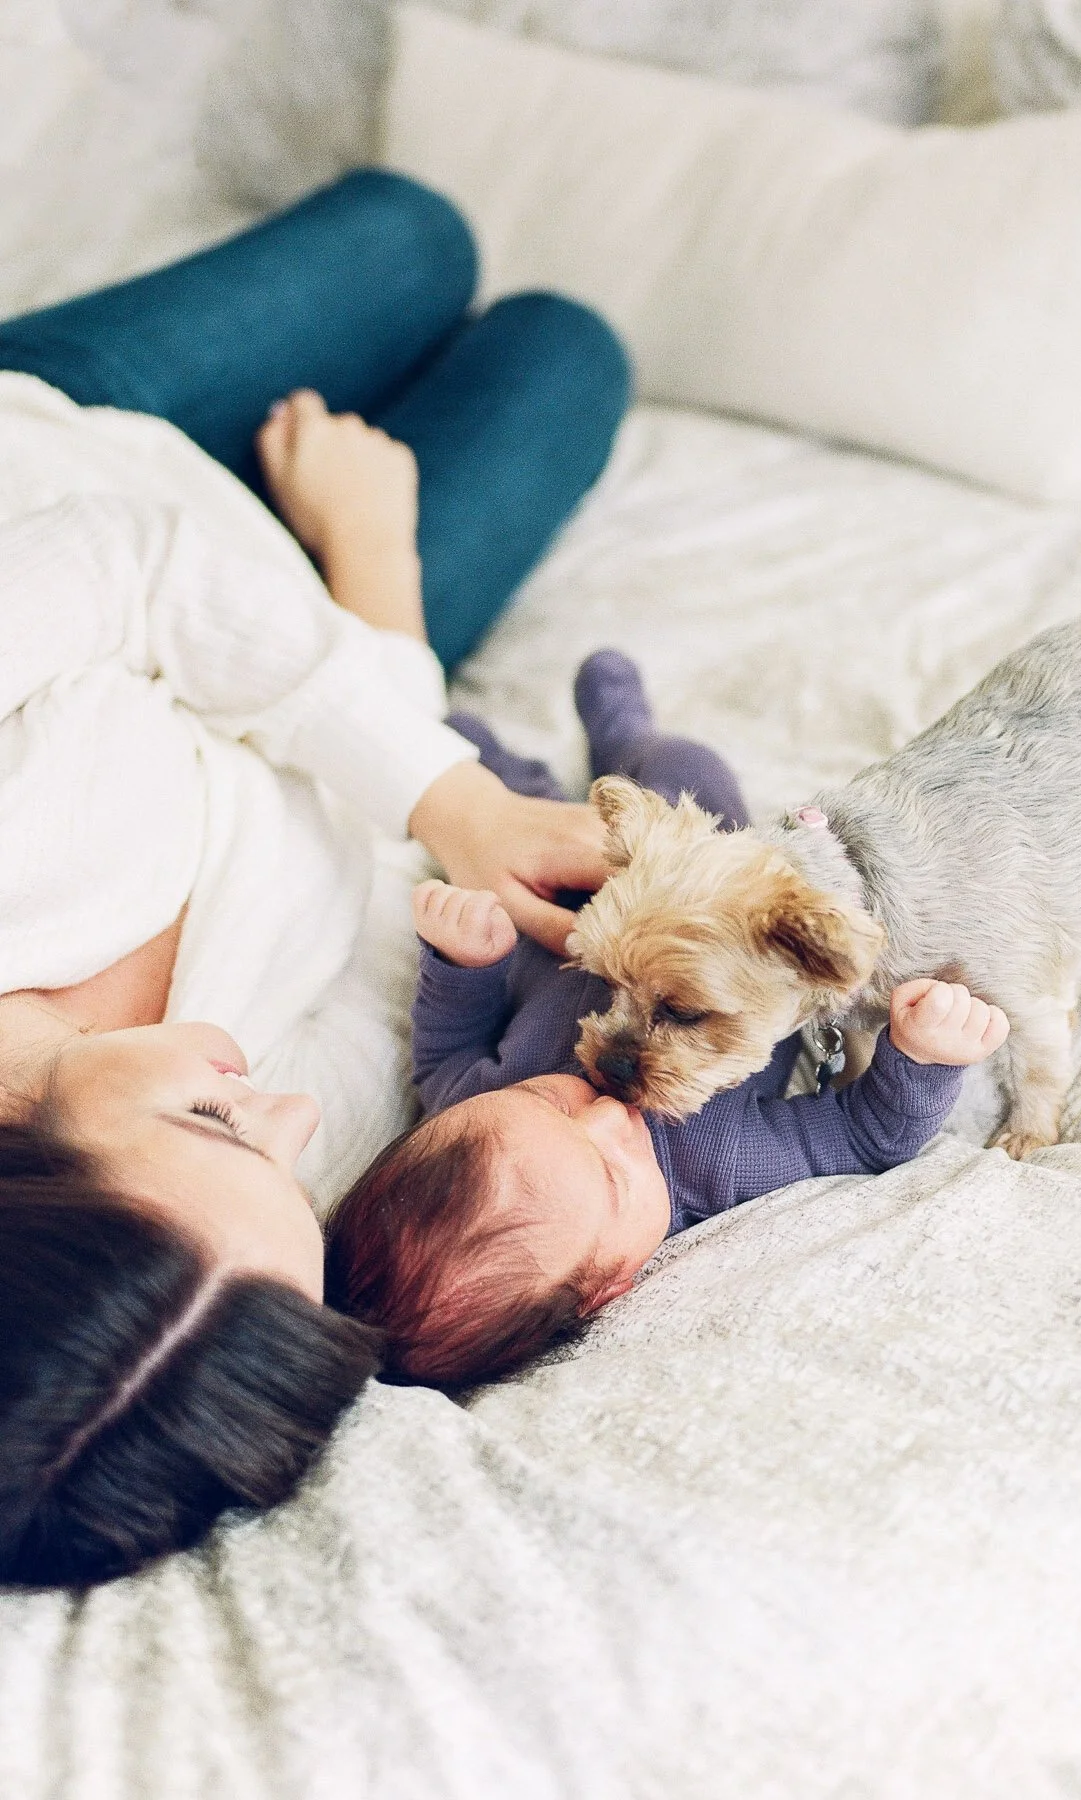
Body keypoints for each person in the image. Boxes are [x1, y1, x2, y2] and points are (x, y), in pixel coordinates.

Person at [0, 169, 629, 1586]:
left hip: (96, 462)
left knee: (418, 231)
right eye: (289, 1174)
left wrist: (455, 793)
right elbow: (386, 904)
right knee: (569, 349)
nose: (285, 1112)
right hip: (356, 644)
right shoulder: (251, 1225)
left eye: (224, 1125)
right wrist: (375, 558)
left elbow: (124, 565)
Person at [324, 653, 1009, 1391]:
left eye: (545, 1100)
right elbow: (867, 1135)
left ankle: (541, 751)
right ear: (612, 1286)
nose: (611, 1109)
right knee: (697, 782)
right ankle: (621, 733)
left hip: (547, 899)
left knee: (576, 795)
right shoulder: (727, 1165)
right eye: (616, 1179)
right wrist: (922, 1058)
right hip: (705, 925)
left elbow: (445, 1048)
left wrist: (465, 961)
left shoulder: (466, 1116)